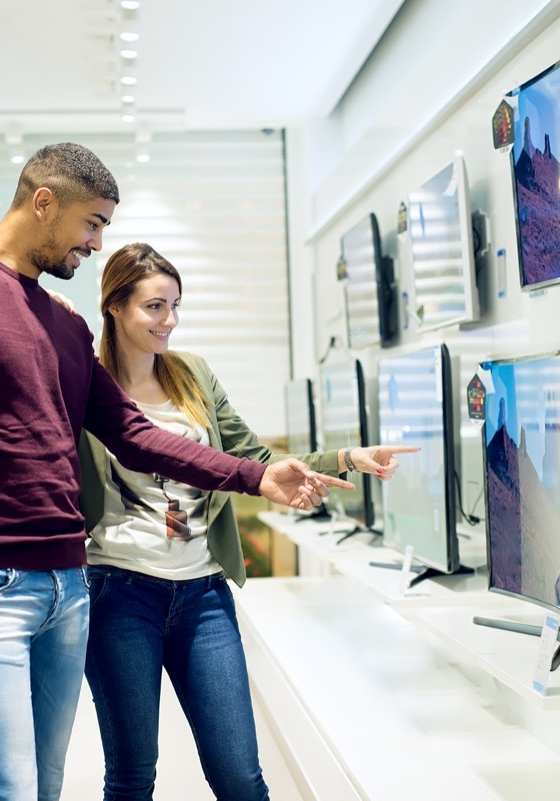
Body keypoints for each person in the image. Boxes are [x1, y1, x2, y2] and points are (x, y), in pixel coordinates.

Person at [0, 143, 351, 801]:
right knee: (6, 788)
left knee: (46, 786)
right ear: (44, 202)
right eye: (92, 223)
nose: (95, 244)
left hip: (70, 586)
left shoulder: (62, 324)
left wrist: (255, 476)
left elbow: (135, 435)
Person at [75, 242, 416, 800]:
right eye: (155, 307)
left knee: (240, 775)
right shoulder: (87, 386)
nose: (170, 321)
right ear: (114, 307)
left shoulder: (192, 375)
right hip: (119, 592)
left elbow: (253, 463)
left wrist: (345, 457)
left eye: (176, 305)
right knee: (133, 776)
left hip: (203, 594)